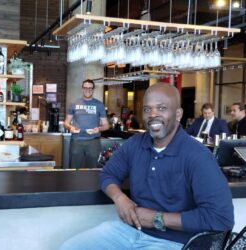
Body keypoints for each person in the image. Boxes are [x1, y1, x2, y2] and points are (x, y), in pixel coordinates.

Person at [60, 83, 234, 249]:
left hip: (175, 242)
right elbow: (108, 174)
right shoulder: (135, 144)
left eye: (162, 108)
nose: (153, 114)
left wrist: (157, 219)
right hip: (129, 232)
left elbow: (221, 218)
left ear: (178, 114)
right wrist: (119, 198)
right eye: (147, 109)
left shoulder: (198, 156)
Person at [64, 79, 109, 168]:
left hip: (93, 141)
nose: (87, 90)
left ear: (93, 89)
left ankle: (91, 182)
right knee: (73, 169)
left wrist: (98, 129)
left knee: (93, 170)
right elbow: (66, 123)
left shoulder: (99, 104)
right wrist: (70, 128)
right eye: (85, 88)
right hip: (76, 141)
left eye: (90, 88)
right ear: (82, 89)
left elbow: (106, 125)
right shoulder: (74, 103)